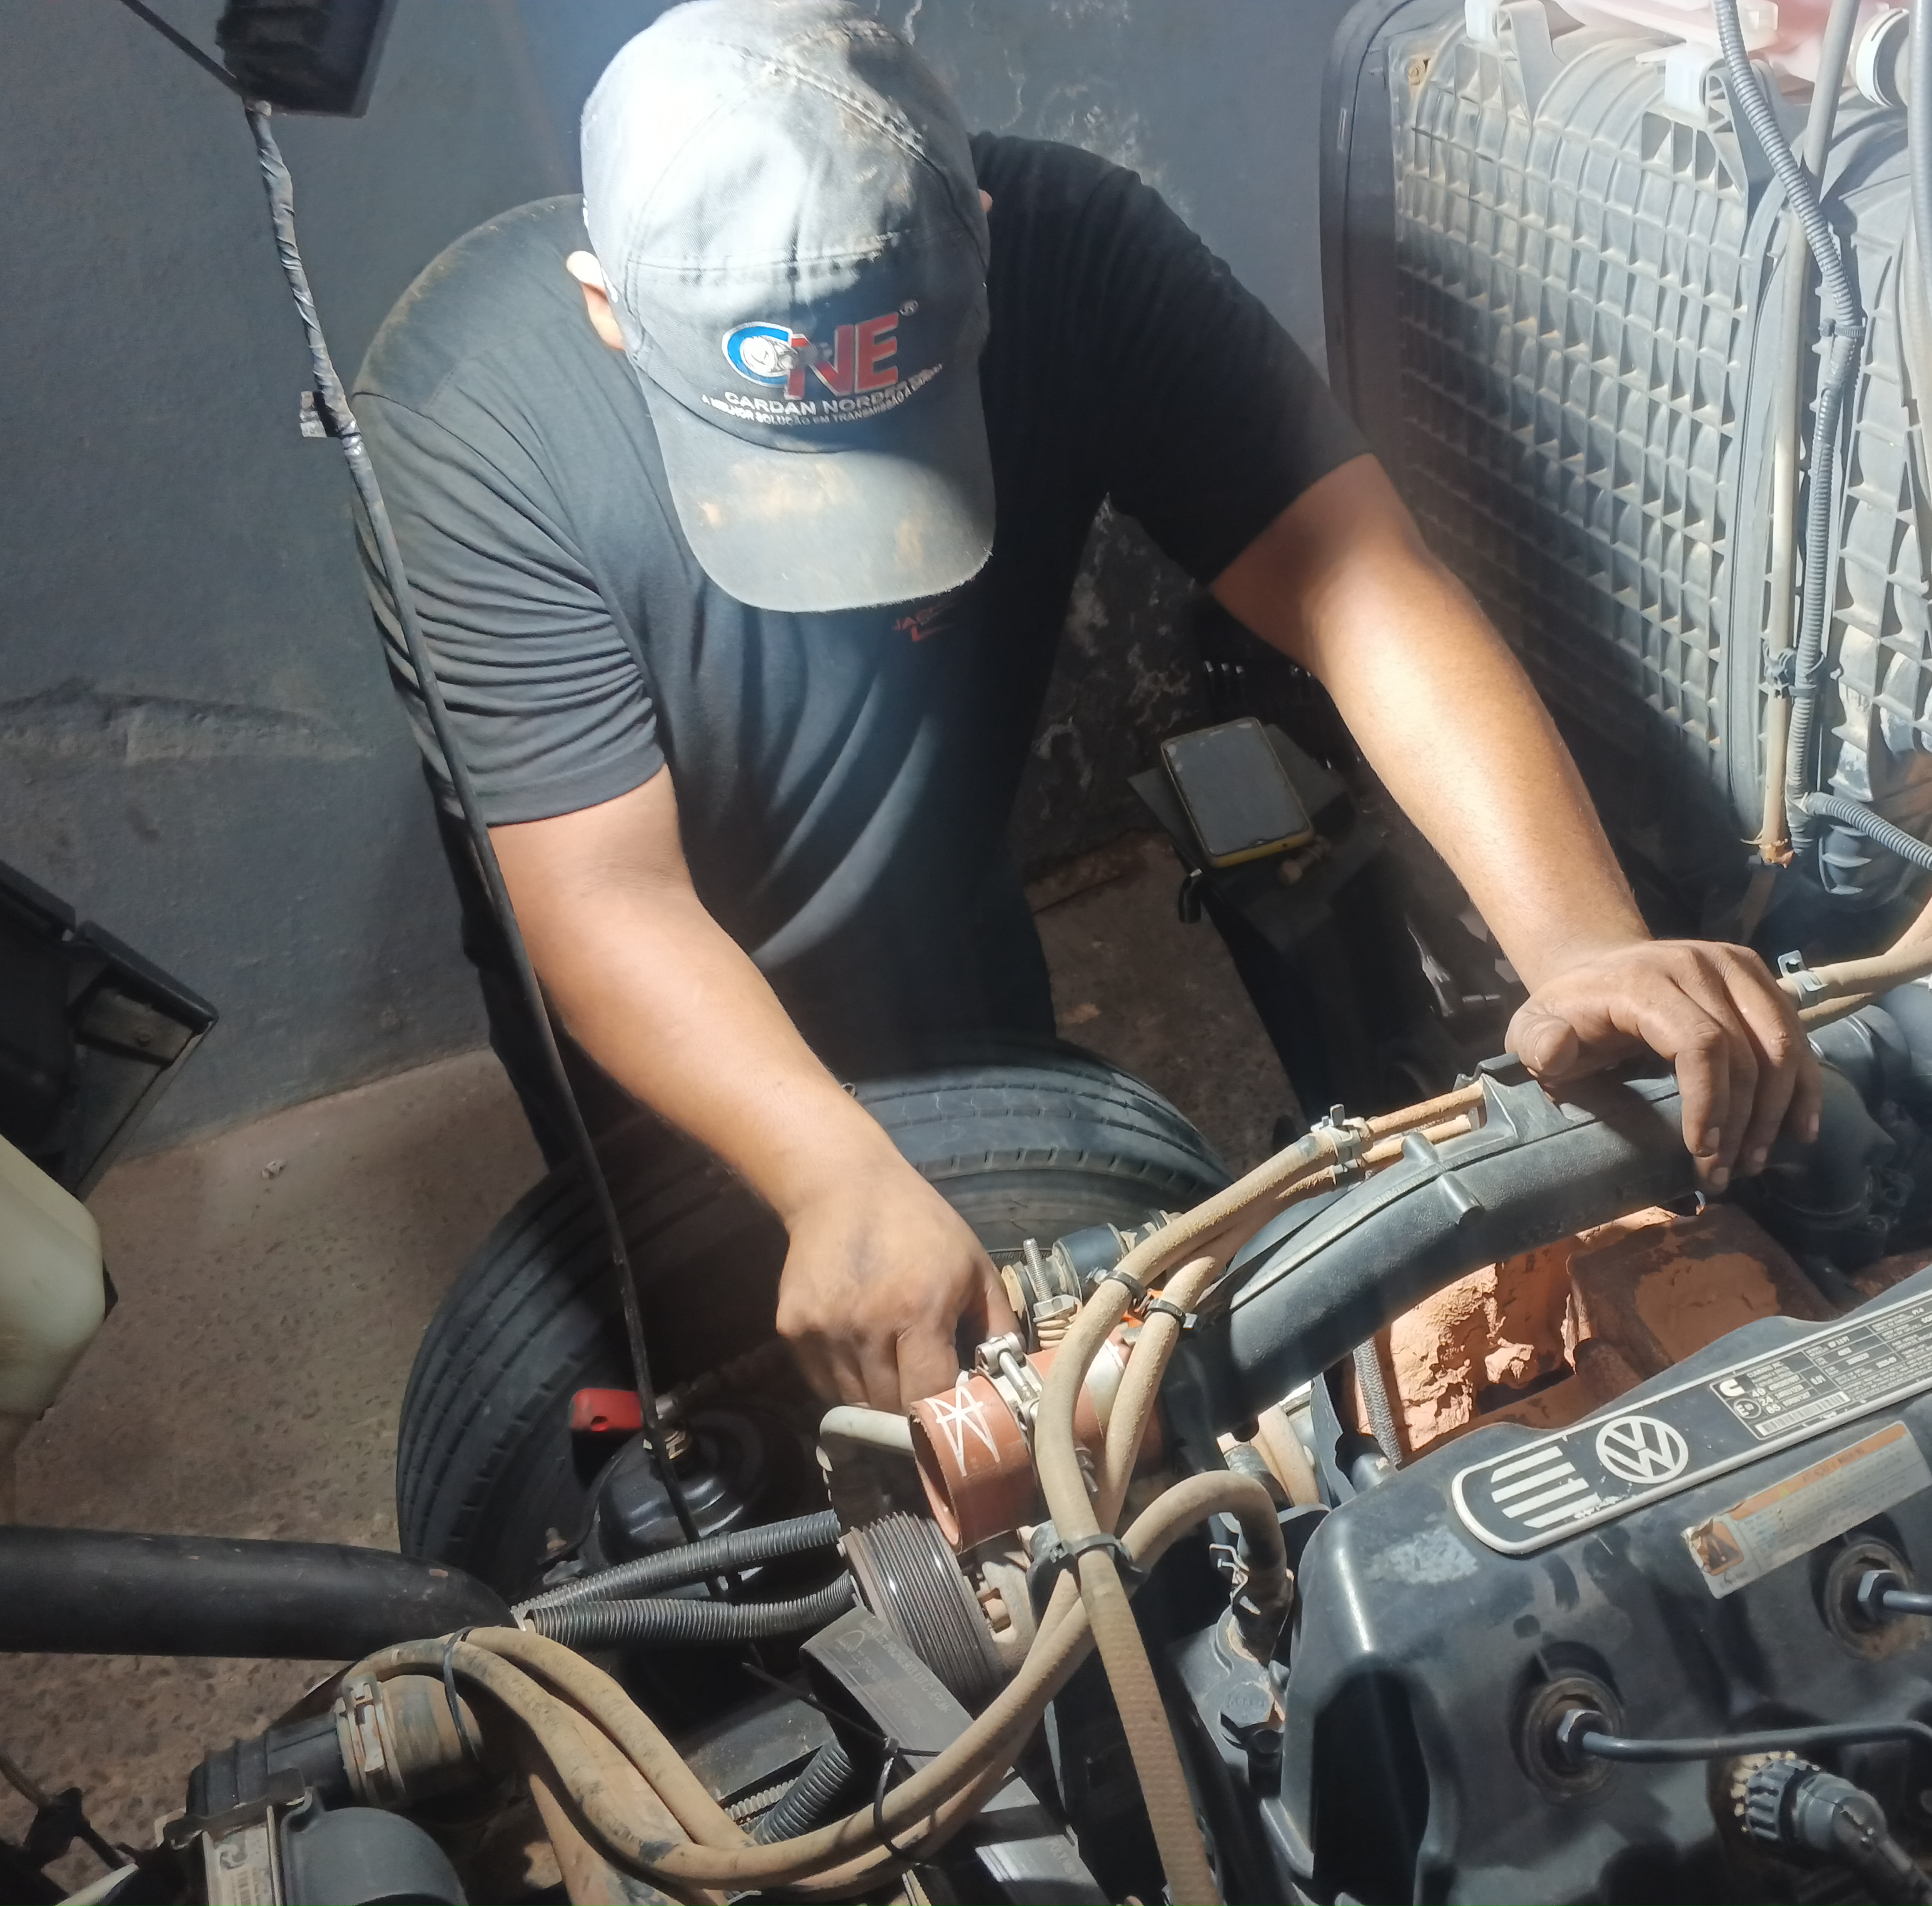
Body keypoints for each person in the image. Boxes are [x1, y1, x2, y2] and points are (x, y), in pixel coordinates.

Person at [354, 0, 1821, 1413]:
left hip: (938, 897)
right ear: (607, 307)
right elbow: (604, 892)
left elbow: (1358, 585)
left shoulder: (1077, 252)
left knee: (1029, 1317)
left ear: (979, 247)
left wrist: (1581, 942)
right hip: (661, 989)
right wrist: (823, 1168)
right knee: (720, 1350)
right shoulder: (467, 418)